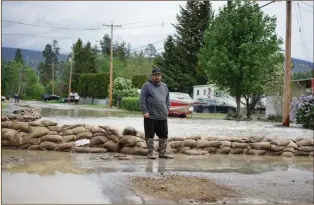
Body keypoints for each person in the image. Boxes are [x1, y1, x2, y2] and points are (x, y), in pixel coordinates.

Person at [140, 67, 173, 159]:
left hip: (162, 116)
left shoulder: (164, 86)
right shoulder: (146, 86)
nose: (157, 77)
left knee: (163, 135)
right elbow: (142, 99)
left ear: (161, 76)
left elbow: (167, 99)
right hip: (150, 116)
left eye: (158, 75)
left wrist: (167, 109)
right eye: (155, 75)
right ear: (152, 76)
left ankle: (162, 153)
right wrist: (145, 111)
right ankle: (150, 153)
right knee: (150, 135)